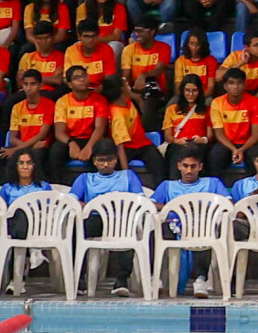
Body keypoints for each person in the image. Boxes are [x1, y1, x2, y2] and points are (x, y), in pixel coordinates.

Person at [151, 147, 230, 299]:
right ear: (178, 166)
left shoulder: (212, 183)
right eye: (185, 166)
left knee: (206, 231)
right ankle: (156, 277)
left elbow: (228, 203)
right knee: (155, 230)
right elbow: (152, 203)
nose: (189, 171)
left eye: (193, 166)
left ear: (200, 167)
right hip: (174, 226)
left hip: (201, 226)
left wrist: (201, 208)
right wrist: (176, 208)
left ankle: (200, 279)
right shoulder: (167, 186)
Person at [69, 139, 144, 296]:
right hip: (96, 219)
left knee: (128, 229)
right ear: (94, 161)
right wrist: (91, 206)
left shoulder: (128, 176)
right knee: (75, 229)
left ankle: (121, 280)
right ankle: (79, 278)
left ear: (116, 159)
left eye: (109, 160)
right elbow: (71, 201)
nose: (105, 164)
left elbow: (141, 200)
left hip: (121, 220)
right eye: (100, 160)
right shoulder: (85, 178)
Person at [47, 65, 109, 183]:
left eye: (84, 76)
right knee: (56, 150)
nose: (82, 79)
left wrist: (89, 146)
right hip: (71, 139)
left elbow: (100, 127)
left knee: (102, 147)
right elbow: (59, 132)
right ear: (70, 84)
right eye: (77, 78)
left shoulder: (99, 99)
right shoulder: (62, 101)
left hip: (92, 138)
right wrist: (71, 144)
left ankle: (97, 186)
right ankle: (58, 187)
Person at [0, 68, 54, 184]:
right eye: (25, 84)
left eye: (33, 84)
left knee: (36, 155)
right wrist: (26, 147)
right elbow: (12, 138)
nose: (28, 88)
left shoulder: (49, 105)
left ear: (40, 85)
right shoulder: (17, 107)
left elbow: (42, 135)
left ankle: (40, 187)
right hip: (30, 145)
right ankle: (4, 188)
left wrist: (16, 150)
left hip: (41, 147)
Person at [104, 74, 166, 185]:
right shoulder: (117, 115)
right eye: (126, 84)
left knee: (158, 162)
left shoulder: (126, 100)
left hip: (142, 144)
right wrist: (125, 173)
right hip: (127, 148)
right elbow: (120, 146)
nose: (129, 86)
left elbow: (135, 97)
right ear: (122, 90)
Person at [208, 70, 258, 178]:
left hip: (249, 143)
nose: (235, 86)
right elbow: (219, 134)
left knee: (256, 157)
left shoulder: (255, 103)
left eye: (239, 83)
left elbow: (256, 135)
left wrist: (242, 149)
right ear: (225, 86)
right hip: (226, 143)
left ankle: (253, 190)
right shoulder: (217, 103)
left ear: (244, 85)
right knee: (215, 156)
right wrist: (234, 149)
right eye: (231, 83)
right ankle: (216, 190)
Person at [122, 16, 173, 113]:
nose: (137, 34)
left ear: (152, 32)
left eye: (141, 31)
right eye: (135, 31)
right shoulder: (128, 49)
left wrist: (143, 75)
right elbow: (125, 77)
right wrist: (135, 96)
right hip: (134, 90)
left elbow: (158, 70)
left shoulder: (164, 48)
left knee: (150, 100)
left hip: (156, 90)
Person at [218, 32, 258, 101]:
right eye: (256, 45)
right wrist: (241, 63)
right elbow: (218, 77)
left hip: (255, 92)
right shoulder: (235, 56)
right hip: (235, 91)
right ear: (247, 47)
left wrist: (252, 102)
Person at [163, 75, 211, 159]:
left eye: (194, 90)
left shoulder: (207, 110)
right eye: (187, 90)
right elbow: (168, 136)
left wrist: (202, 140)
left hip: (199, 147)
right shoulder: (171, 109)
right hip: (178, 146)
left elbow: (210, 135)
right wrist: (177, 141)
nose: (190, 94)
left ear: (200, 91)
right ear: (182, 91)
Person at [64, 21, 117, 91]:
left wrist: (93, 94)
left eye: (93, 36)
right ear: (79, 37)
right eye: (86, 36)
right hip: (78, 90)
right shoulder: (71, 50)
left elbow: (109, 78)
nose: (90, 40)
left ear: (98, 36)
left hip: (100, 90)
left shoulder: (107, 50)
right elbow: (66, 78)